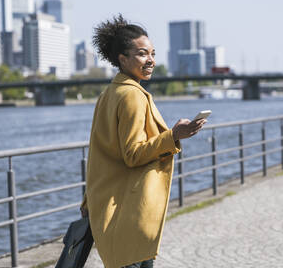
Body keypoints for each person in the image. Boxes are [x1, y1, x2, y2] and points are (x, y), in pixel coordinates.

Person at [80, 15, 206, 268]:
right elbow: (132, 154)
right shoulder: (131, 96)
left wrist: (87, 201)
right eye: (141, 54)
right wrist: (173, 136)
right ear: (122, 59)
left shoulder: (110, 93)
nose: (150, 60)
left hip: (109, 207)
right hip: (127, 213)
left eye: (152, 53)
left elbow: (99, 152)